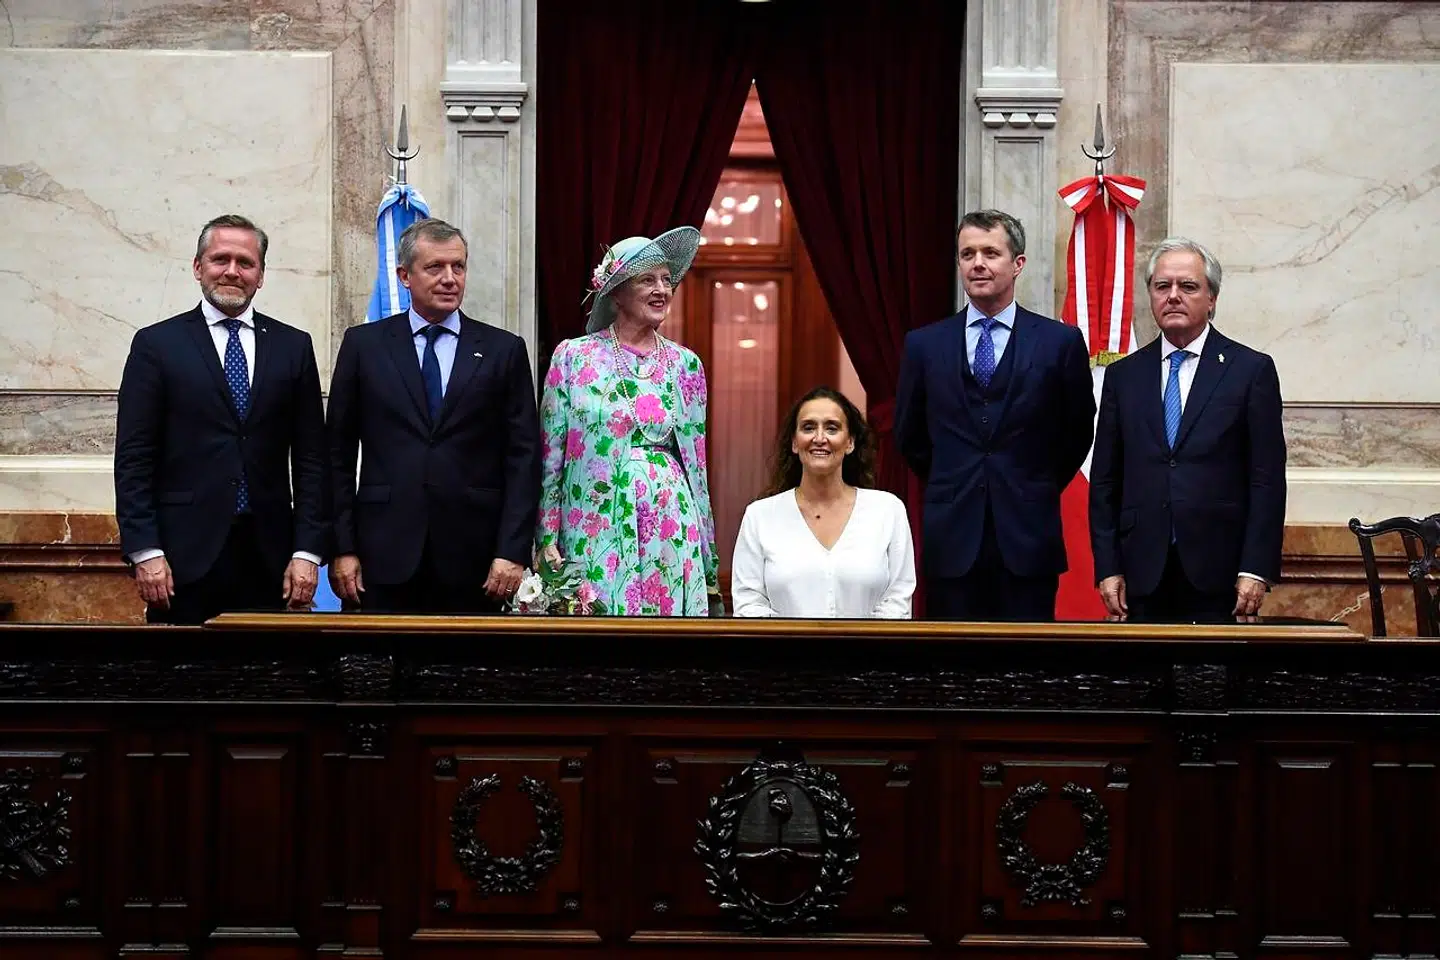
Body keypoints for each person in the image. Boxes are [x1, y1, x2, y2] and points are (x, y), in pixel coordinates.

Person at [114, 214, 328, 623]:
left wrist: (307, 552)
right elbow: (134, 457)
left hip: (271, 560)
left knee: (269, 682)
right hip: (180, 560)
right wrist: (145, 550)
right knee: (182, 680)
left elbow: (311, 461)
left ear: (261, 275)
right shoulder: (156, 345)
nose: (232, 271)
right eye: (220, 259)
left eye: (246, 262)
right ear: (198, 268)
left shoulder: (293, 347)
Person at [326, 218, 541, 613]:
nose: (449, 278)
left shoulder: (503, 350)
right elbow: (336, 455)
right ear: (404, 276)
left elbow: (523, 458)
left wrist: (512, 550)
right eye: (435, 267)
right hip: (381, 556)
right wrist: (343, 547)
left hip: (477, 560)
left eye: (458, 267)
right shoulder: (364, 346)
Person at [895, 209, 1094, 621]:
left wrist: (1030, 481)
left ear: (1017, 264)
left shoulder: (1060, 343)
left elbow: (1076, 432)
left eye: (990, 252)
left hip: (1028, 537)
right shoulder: (924, 345)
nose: (978, 263)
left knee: (1027, 670)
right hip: (952, 540)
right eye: (967, 254)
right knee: (953, 671)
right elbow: (911, 436)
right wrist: (955, 478)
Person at [1089, 237, 1286, 622]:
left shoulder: (1250, 371)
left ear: (1211, 299)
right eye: (1163, 286)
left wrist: (1255, 567)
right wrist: (1107, 565)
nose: (1173, 296)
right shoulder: (1123, 376)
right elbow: (1105, 481)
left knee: (1214, 682)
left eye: (1188, 286)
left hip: (1222, 575)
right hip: (1140, 573)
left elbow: (1266, 479)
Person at [536, 226, 720, 616]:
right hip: (594, 521)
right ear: (616, 292)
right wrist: (545, 537)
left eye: (667, 280)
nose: (662, 290)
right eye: (647, 280)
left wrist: (708, 553)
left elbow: (698, 466)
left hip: (669, 519)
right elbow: (550, 457)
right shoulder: (574, 357)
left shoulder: (686, 365)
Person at [732, 387, 914, 618]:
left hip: (870, 653)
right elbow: (749, 604)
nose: (819, 438)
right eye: (808, 428)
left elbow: (897, 601)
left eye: (832, 428)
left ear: (850, 442)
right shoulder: (759, 516)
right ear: (794, 443)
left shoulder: (888, 511)